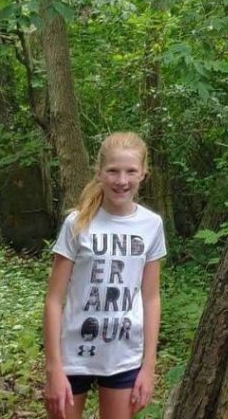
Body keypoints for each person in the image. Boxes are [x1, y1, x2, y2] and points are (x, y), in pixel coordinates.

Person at [43, 133, 166, 419]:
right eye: (113, 171)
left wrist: (148, 366)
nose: (121, 180)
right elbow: (53, 300)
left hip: (123, 356)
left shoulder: (151, 225)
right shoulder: (77, 223)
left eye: (131, 171)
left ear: (143, 174)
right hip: (72, 357)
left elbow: (151, 298)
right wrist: (53, 368)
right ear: (99, 173)